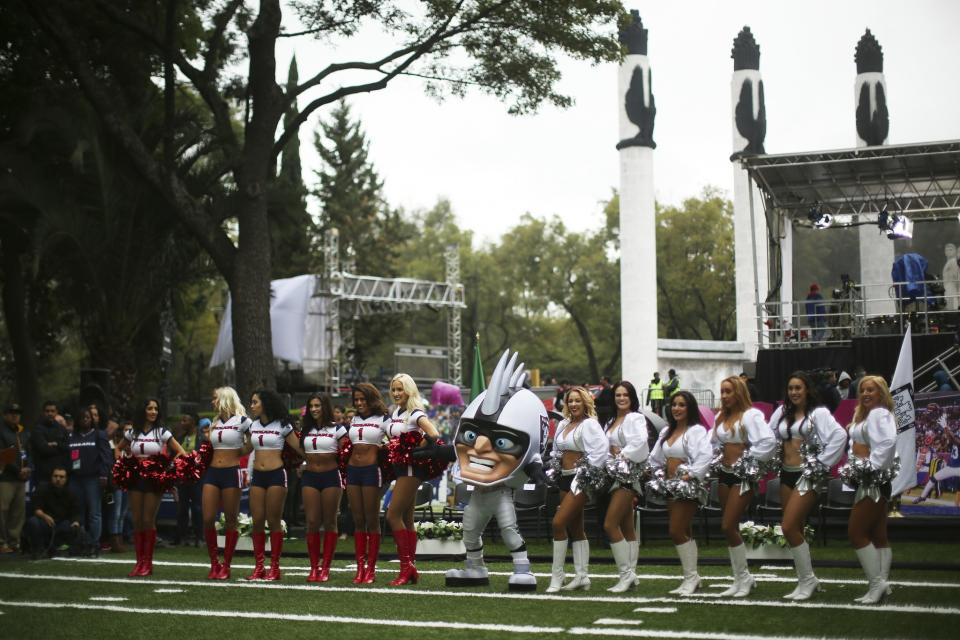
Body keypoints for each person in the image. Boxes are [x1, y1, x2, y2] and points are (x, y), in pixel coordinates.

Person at [413, 350, 548, 591]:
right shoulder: (474, 446)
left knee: (509, 529)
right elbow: (460, 450)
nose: (481, 446)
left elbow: (529, 461)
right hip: (479, 494)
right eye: (474, 435)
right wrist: (438, 451)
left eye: (500, 441)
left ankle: (522, 567)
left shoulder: (523, 447)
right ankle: (475, 567)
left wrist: (537, 476)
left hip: (501, 492)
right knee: (470, 530)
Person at [769, 372, 846, 600]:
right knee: (796, 528)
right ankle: (805, 579)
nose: (794, 392)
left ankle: (807, 581)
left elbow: (839, 435)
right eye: (791, 388)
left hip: (808, 475)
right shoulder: (783, 412)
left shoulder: (818, 413)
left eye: (798, 388)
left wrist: (821, 464)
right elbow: (768, 433)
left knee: (788, 526)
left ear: (807, 390)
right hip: (786, 474)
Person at [712, 376, 776, 597]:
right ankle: (740, 578)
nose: (724, 396)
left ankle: (745, 578)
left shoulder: (751, 415)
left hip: (743, 477)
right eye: (722, 391)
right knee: (730, 527)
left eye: (729, 391)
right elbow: (713, 444)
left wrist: (748, 460)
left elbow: (767, 441)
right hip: (724, 474)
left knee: (728, 525)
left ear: (738, 392)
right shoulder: (721, 416)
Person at [648, 391, 712, 595]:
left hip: (687, 487)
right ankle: (692, 577)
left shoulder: (696, 431)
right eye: (674, 404)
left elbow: (704, 456)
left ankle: (691, 578)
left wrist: (690, 474)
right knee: (684, 531)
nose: (676, 408)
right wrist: (658, 475)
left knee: (676, 530)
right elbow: (655, 458)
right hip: (670, 487)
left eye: (682, 405)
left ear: (689, 408)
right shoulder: (667, 431)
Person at [546, 386, 608, 593]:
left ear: (585, 403)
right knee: (575, 528)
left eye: (577, 401)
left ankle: (557, 576)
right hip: (563, 478)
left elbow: (600, 452)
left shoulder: (590, 424)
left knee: (558, 523)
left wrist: (585, 474)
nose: (573, 404)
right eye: (570, 401)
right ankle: (582, 577)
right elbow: (556, 452)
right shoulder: (564, 423)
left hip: (579, 480)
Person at [843, 376, 897, 604]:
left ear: (881, 393)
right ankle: (882, 582)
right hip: (869, 480)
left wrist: (870, 468)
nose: (865, 393)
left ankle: (877, 584)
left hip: (872, 481)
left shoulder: (879, 414)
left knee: (856, 533)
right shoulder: (864, 414)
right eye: (863, 390)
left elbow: (886, 443)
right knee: (878, 535)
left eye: (871, 390)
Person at [118, 398, 187, 576]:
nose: (154, 411)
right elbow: (118, 449)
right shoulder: (132, 432)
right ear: (143, 411)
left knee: (148, 520)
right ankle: (139, 562)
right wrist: (123, 462)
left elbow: (181, 452)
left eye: (156, 408)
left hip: (153, 479)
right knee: (137, 520)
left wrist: (167, 466)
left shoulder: (162, 432)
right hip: (135, 478)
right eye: (150, 408)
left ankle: (147, 563)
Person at [385, 374, 441, 586]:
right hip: (400, 470)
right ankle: (411, 568)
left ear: (409, 390)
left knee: (392, 515)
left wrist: (415, 450)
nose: (397, 393)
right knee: (407, 519)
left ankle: (406, 568)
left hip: (410, 470)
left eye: (401, 389)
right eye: (394, 389)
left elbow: (434, 434)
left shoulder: (415, 413)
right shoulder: (396, 412)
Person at [246, 388, 302, 581]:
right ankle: (259, 567)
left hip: (277, 476)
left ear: (265, 403)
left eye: (255, 402)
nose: (252, 406)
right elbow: (245, 448)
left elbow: (299, 448)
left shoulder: (283, 425)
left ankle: (275, 567)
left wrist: (310, 462)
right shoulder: (252, 425)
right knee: (257, 521)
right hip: (258, 477)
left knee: (273, 521)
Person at [603, 381, 649, 592]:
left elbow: (640, 442)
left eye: (625, 395)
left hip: (626, 476)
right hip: (613, 475)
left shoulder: (635, 417)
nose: (621, 398)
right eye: (618, 395)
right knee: (627, 526)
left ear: (632, 398)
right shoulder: (612, 420)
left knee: (610, 525)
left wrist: (620, 455)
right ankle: (632, 574)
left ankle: (626, 575)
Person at [202, 387, 250, 580]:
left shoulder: (242, 420)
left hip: (232, 472)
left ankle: (227, 565)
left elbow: (254, 440)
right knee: (207, 518)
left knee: (231, 519)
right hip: (213, 472)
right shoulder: (214, 422)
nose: (212, 402)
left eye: (215, 398)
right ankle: (214, 563)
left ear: (224, 398)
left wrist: (241, 452)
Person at [300, 392, 347, 583]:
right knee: (311, 522)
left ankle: (325, 567)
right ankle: (314, 567)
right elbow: (300, 451)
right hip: (310, 476)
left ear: (325, 407)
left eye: (317, 405)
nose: (314, 409)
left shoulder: (338, 429)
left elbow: (345, 453)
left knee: (329, 522)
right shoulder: (306, 429)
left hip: (331, 477)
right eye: (311, 406)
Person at [346, 383, 389, 584]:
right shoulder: (353, 419)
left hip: (372, 472)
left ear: (371, 399)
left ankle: (371, 569)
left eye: (363, 399)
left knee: (371, 520)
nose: (359, 403)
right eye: (356, 400)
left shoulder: (383, 419)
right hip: (353, 471)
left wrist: (386, 448)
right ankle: (360, 568)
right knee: (358, 520)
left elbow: (397, 438)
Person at [67, 408, 112, 555]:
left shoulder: (99, 435)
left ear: (91, 420)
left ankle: (94, 542)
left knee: (94, 513)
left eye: (88, 417)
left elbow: (106, 456)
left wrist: (104, 474)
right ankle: (81, 541)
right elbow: (70, 458)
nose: (85, 419)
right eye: (82, 417)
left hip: (93, 479)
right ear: (77, 420)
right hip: (75, 479)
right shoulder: (72, 436)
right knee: (78, 512)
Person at [25, 466, 81, 559]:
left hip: (61, 524)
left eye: (61, 477)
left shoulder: (71, 493)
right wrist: (45, 516)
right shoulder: (42, 488)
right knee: (33, 522)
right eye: (55, 476)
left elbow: (76, 512)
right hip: (45, 523)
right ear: (51, 477)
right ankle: (39, 549)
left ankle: (63, 549)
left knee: (76, 527)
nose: (58, 479)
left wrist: (76, 522)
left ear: (66, 479)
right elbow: (36, 508)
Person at [0, 403, 30, 554]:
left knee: (18, 512)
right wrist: (19, 470)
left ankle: (14, 541)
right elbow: (2, 455)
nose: (15, 415)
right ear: (5, 415)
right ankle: (2, 541)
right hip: (5, 477)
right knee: (2, 510)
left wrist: (29, 467)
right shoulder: (1, 431)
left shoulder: (23, 432)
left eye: (17, 413)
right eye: (11, 412)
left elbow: (29, 452)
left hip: (21, 479)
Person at [175, 413, 203, 546]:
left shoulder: (202, 438)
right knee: (182, 508)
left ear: (193, 422)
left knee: (198, 508)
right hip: (183, 478)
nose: (182, 423)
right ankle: (182, 537)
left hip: (197, 478)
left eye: (185, 420)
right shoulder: (180, 438)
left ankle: (200, 537)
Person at [105, 418, 129, 553]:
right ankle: (114, 540)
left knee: (123, 513)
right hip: (115, 484)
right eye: (126, 430)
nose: (129, 433)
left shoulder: (131, 447)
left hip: (128, 483)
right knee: (116, 512)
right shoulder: (111, 445)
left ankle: (119, 538)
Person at [30, 413, 69, 492]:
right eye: (47, 411)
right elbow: (43, 448)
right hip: (43, 472)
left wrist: (56, 444)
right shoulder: (38, 429)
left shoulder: (63, 430)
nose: (59, 423)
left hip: (60, 471)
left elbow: (67, 447)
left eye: (61, 421)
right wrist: (59, 448)